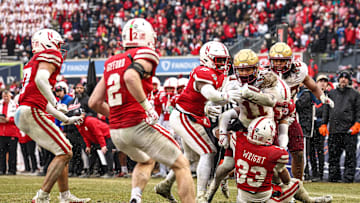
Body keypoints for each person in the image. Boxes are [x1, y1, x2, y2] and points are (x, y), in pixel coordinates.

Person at [88, 18, 195, 203]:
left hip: (116, 131)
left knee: (146, 160)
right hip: (138, 124)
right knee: (182, 164)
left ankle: (135, 197)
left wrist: (115, 116)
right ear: (147, 36)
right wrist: (147, 107)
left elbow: (94, 102)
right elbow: (130, 76)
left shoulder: (111, 61)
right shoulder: (145, 53)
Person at [155, 41, 240, 203]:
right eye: (219, 60)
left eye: (224, 60)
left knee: (190, 156)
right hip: (183, 116)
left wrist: (208, 107)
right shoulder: (202, 71)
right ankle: (201, 196)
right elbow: (210, 94)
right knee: (208, 152)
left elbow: (208, 100)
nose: (223, 64)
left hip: (193, 116)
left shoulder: (221, 76)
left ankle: (165, 185)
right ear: (207, 58)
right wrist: (227, 97)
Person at [206, 49, 292, 202]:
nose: (245, 73)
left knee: (276, 168)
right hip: (244, 128)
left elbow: (271, 100)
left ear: (256, 68)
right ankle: (210, 191)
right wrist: (209, 106)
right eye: (241, 70)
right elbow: (218, 99)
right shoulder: (231, 81)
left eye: (248, 69)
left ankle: (288, 192)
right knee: (226, 166)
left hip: (264, 131)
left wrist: (249, 93)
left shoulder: (266, 79)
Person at [14, 28, 90, 203]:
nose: (59, 48)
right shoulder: (50, 54)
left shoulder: (32, 62)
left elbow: (41, 97)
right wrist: (57, 103)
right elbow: (41, 80)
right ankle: (42, 196)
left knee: (61, 151)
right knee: (65, 151)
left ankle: (65, 196)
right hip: (30, 110)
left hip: (26, 110)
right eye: (57, 44)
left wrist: (64, 118)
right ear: (48, 42)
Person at [268, 42, 334, 180]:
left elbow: (313, 86)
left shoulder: (298, 71)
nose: (279, 64)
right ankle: (270, 186)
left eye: (282, 61)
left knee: (298, 152)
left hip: (289, 117)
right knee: (271, 154)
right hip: (269, 117)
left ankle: (297, 186)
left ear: (290, 61)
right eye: (276, 61)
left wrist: (322, 97)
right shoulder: (265, 74)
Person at [235, 116, 332, 203]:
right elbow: (286, 180)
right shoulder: (274, 153)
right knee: (296, 183)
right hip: (263, 199)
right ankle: (311, 201)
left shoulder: (239, 142)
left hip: (242, 199)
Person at [320, 70, 360, 183]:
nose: (343, 79)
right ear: (338, 79)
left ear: (349, 80)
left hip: (350, 131)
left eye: (346, 78)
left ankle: (348, 178)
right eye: (341, 77)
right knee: (333, 155)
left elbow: (358, 111)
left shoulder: (355, 94)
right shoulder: (331, 93)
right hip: (334, 130)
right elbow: (326, 110)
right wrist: (323, 123)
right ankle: (333, 177)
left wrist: (358, 123)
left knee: (350, 156)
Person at [0, 90, 19, 175]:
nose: (5, 98)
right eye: (4, 96)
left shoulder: (15, 105)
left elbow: (18, 118)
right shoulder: (0, 104)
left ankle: (12, 170)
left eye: (7, 96)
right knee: (1, 152)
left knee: (12, 152)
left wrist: (9, 120)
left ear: (10, 96)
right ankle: (2, 169)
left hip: (12, 132)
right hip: (1, 132)